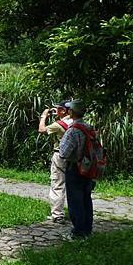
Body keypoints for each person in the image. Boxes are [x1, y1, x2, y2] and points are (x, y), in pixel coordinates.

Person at [58, 99, 94, 239]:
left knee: (75, 200)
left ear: (71, 112)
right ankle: (87, 229)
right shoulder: (89, 127)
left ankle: (78, 232)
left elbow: (64, 153)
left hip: (75, 168)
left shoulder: (73, 130)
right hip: (88, 167)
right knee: (86, 199)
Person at [38, 100, 73, 223]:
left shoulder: (58, 125)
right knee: (73, 185)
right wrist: (57, 113)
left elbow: (42, 129)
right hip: (74, 158)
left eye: (58, 108)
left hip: (60, 156)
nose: (55, 110)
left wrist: (44, 116)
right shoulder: (76, 122)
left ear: (63, 111)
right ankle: (76, 213)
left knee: (57, 184)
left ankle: (57, 215)